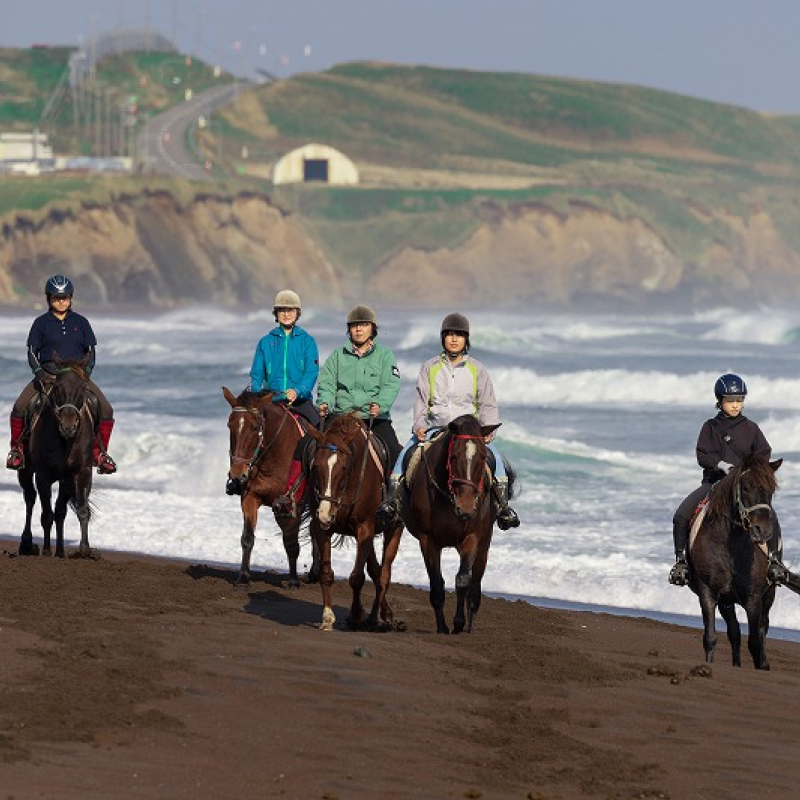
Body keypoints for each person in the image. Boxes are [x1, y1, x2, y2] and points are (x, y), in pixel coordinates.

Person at [377, 312, 520, 531]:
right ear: (443, 338)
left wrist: (488, 429)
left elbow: (488, 403)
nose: (454, 339)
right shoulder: (429, 367)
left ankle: (503, 508)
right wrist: (419, 425)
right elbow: (421, 400)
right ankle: (392, 504)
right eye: (449, 334)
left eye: (459, 335)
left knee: (497, 462)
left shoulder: (477, 369)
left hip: (468, 432)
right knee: (403, 460)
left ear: (466, 340)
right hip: (435, 428)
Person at [273, 304, 402, 518]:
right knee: (305, 444)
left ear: (373, 328)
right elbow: (327, 383)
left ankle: (391, 503)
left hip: (374, 418)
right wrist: (324, 402)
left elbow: (391, 385)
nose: (358, 329)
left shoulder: (385, 356)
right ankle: (291, 495)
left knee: (395, 453)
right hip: (341, 418)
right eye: (354, 326)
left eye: (363, 325)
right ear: (349, 330)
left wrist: (381, 405)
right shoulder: (337, 356)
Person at [669, 373, 787, 586]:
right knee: (681, 515)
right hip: (714, 483)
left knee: (769, 515)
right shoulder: (710, 427)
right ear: (720, 401)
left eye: (739, 400)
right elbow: (702, 454)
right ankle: (681, 563)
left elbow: (764, 452)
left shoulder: (751, 428)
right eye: (730, 401)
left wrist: (752, 470)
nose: (735, 405)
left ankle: (775, 562)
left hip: (744, 487)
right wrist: (720, 465)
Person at [6, 274, 117, 474]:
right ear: (48, 299)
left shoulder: (81, 322)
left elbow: (90, 352)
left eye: (65, 297)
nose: (61, 301)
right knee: (19, 407)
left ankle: (99, 453)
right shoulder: (40, 323)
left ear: (71, 298)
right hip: (48, 374)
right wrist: (39, 372)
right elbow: (31, 351)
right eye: (56, 298)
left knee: (106, 409)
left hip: (76, 377)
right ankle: (17, 451)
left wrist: (86, 373)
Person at [249, 289, 320, 426]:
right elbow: (256, 375)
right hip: (272, 402)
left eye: (291, 310)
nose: (286, 314)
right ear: (276, 313)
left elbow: (311, 372)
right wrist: (258, 397)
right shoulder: (265, 342)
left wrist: (297, 391)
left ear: (297, 313)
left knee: (319, 432)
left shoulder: (308, 341)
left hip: (300, 401)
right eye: (282, 310)